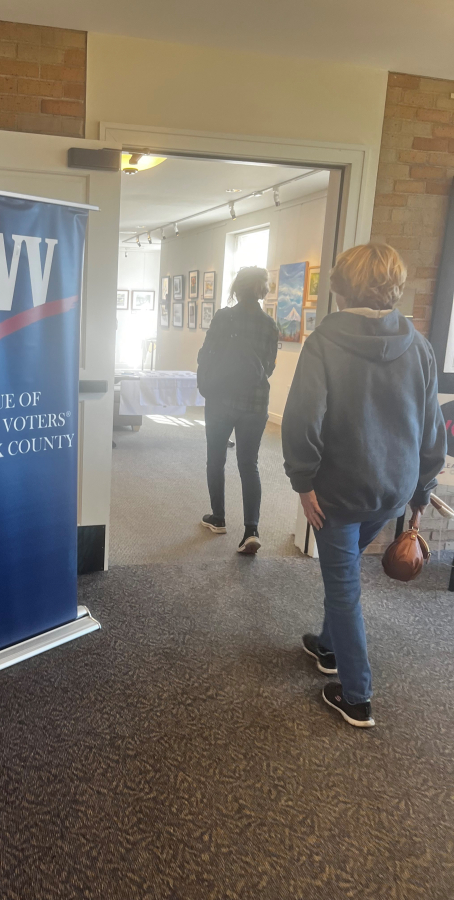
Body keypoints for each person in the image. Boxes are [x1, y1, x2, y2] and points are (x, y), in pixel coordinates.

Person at [282, 243, 445, 728]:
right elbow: (430, 429)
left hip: (337, 492)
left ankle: (357, 696)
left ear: (341, 285)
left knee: (344, 587)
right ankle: (329, 648)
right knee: (346, 567)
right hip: (393, 489)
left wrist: (303, 481)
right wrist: (421, 491)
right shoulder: (419, 346)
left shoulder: (324, 343)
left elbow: (301, 421)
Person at [197, 266, 278, 554]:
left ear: (237, 287)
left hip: (221, 400)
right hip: (255, 404)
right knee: (249, 464)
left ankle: (218, 518)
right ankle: (251, 530)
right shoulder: (269, 324)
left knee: (215, 459)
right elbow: (268, 368)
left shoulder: (224, 317)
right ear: (262, 290)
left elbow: (207, 352)